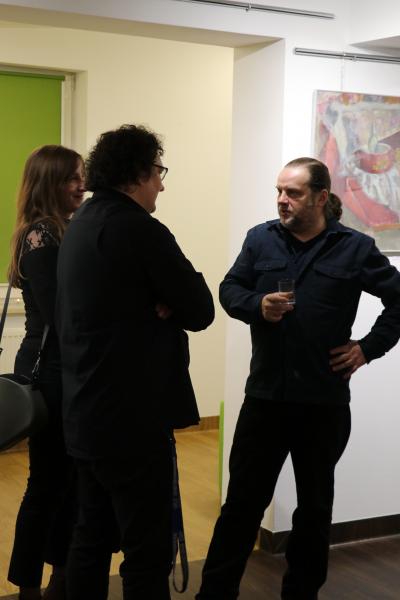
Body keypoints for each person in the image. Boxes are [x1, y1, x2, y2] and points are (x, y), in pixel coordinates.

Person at [196, 156, 400, 600]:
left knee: (314, 510)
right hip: (265, 398)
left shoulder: (355, 248)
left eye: (293, 192)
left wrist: (368, 348)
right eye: (279, 191)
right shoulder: (260, 238)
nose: (282, 200)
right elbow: (230, 289)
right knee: (242, 506)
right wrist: (256, 305)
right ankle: (214, 594)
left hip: (322, 402)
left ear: (321, 198)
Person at [55, 124, 215, 600]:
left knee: (91, 537)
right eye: (158, 172)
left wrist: (162, 301)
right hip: (133, 419)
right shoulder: (140, 229)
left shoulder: (80, 224)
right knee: (147, 551)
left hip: (85, 411)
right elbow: (200, 309)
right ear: (138, 173)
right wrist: (167, 302)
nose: (161, 185)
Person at [7, 145, 85, 600]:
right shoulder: (41, 235)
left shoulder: (60, 230)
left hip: (62, 368)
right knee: (48, 483)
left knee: (66, 481)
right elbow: (64, 313)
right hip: (51, 371)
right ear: (50, 182)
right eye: (73, 177)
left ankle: (60, 576)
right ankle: (30, 586)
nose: (82, 185)